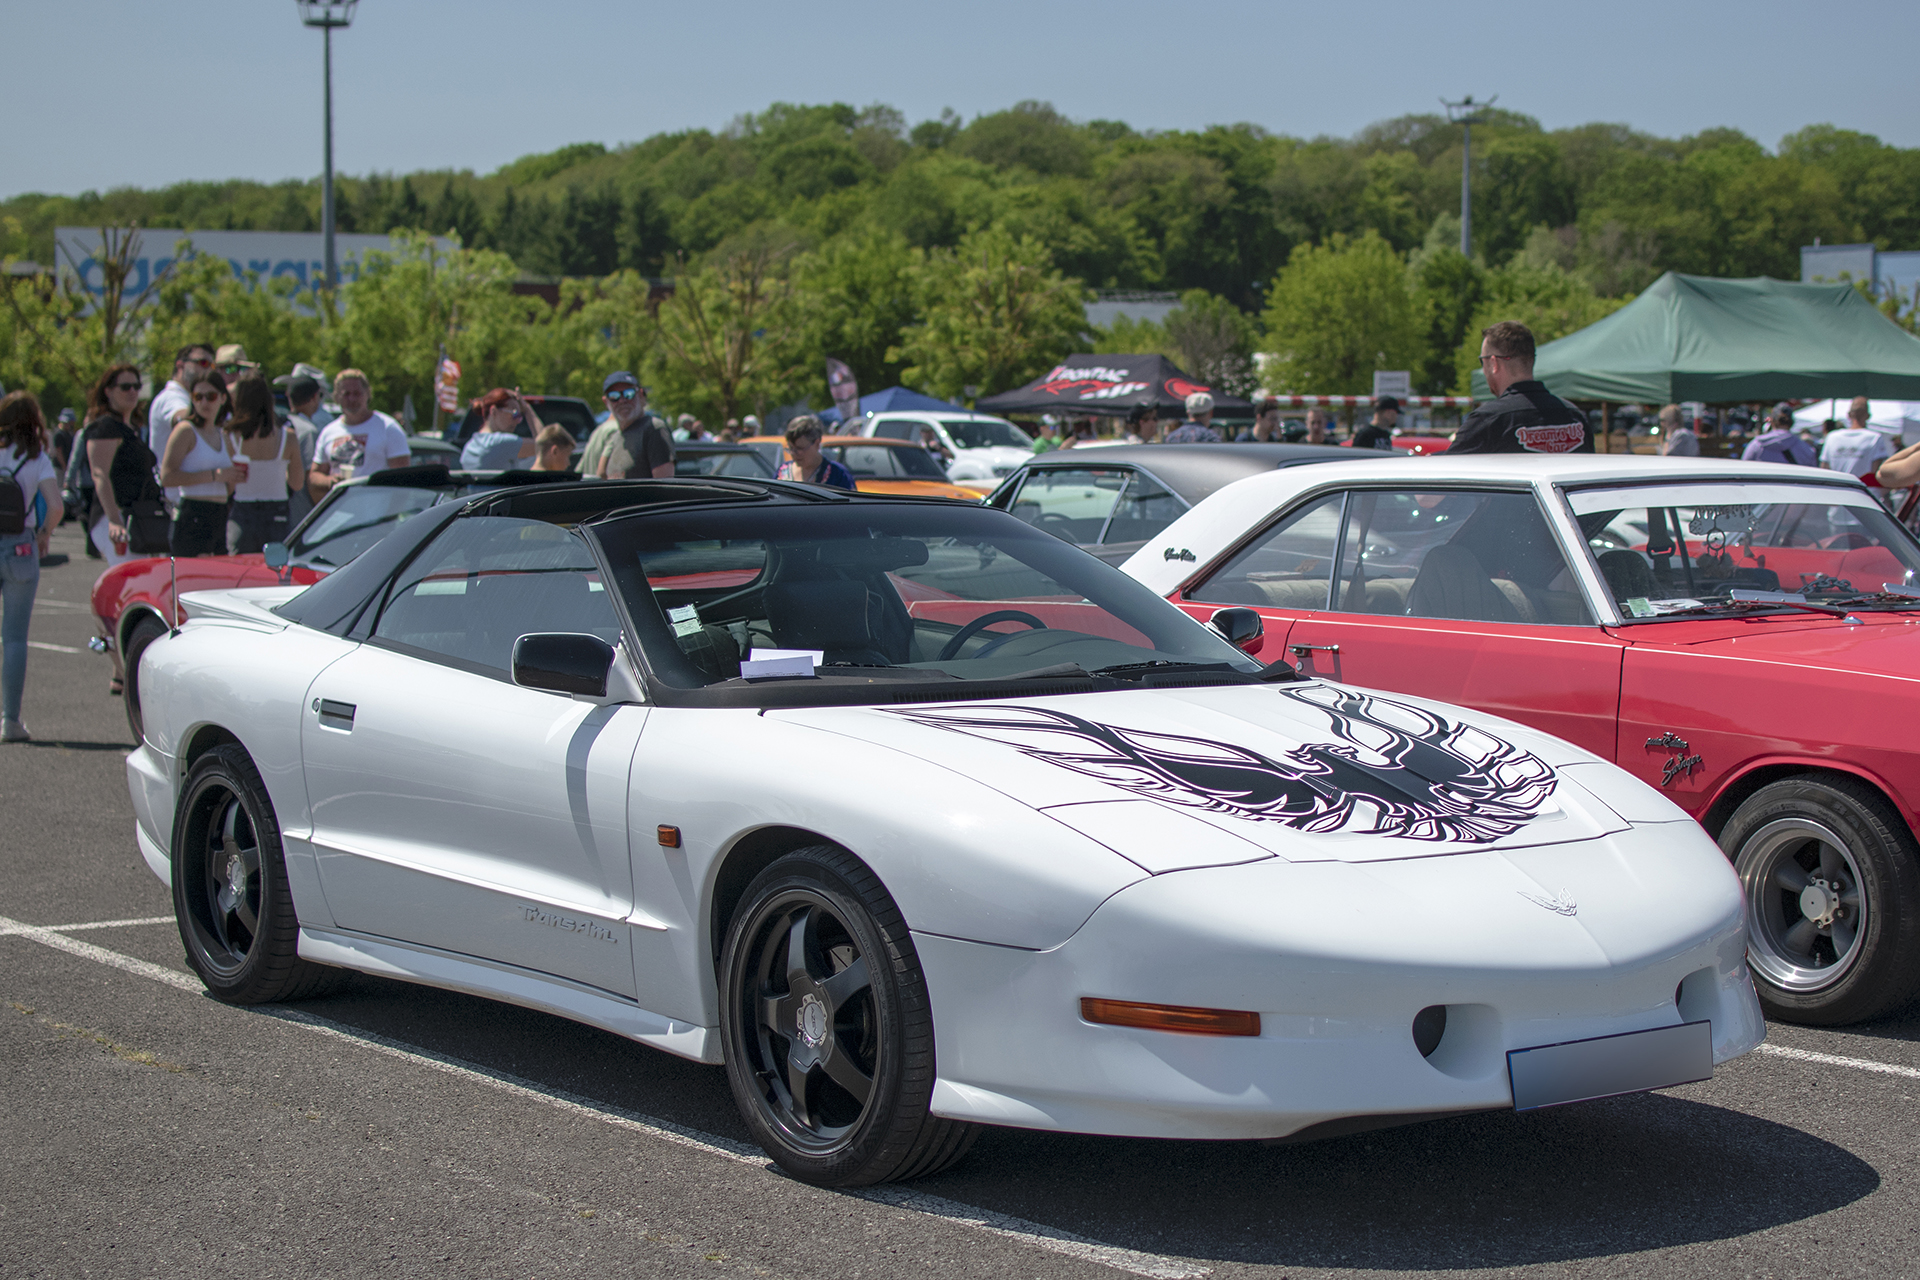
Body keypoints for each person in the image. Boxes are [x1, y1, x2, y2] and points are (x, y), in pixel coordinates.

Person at [0, 392, 65, 743]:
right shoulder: (37, 458)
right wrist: (43, 534)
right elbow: (55, 505)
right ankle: (10, 719)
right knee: (13, 638)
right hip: (21, 544)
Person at [1451, 322, 1593, 454]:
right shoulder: (1575, 417)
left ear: (1494, 363)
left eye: (1482, 361)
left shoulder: (1488, 420)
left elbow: (1446, 471)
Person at [159, 369, 242, 557]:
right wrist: (215, 475)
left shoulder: (224, 435)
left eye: (211, 396)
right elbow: (167, 477)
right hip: (193, 514)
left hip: (220, 513)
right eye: (198, 397)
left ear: (222, 398)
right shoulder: (186, 430)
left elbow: (228, 485)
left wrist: (233, 477)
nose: (204, 403)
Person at [83, 364, 156, 570]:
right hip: (115, 518)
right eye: (125, 387)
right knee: (130, 580)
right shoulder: (105, 427)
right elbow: (100, 475)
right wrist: (114, 520)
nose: (132, 391)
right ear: (108, 391)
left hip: (136, 517)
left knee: (140, 580)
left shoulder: (131, 428)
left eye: (136, 386)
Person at [226, 373, 304, 553]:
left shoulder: (230, 437)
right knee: (275, 571)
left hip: (242, 511)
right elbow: (297, 483)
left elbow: (229, 487)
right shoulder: (288, 437)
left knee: (241, 571)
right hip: (277, 512)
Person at [310, 369, 410, 500]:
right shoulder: (328, 432)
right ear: (336, 397)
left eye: (357, 393)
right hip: (339, 512)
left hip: (377, 513)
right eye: (346, 394)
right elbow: (314, 475)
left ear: (368, 394)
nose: (351, 399)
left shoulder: (388, 428)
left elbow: (402, 479)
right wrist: (330, 481)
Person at [150, 343, 214, 497]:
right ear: (181, 365)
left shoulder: (189, 397)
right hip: (175, 501)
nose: (208, 370)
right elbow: (183, 419)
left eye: (211, 366)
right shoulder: (171, 396)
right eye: (203, 363)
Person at [589, 372, 674, 479]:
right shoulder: (614, 438)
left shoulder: (653, 429)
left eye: (629, 393)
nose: (622, 400)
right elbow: (601, 477)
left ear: (641, 395)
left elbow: (664, 488)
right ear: (606, 402)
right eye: (614, 396)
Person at [460, 388, 543, 471]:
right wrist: (527, 408)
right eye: (514, 414)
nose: (518, 421)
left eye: (519, 415)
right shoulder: (501, 442)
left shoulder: (469, 447)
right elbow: (546, 445)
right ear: (494, 411)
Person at [283, 373, 325, 525]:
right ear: (314, 397)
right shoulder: (308, 431)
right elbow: (310, 478)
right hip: (300, 515)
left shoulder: (280, 427)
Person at [1820, 397, 1895, 478]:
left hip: (1837, 488)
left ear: (1848, 415)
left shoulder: (1832, 437)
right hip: (1861, 489)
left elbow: (1824, 468)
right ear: (1868, 416)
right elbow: (1876, 472)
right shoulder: (1874, 438)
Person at [777, 417, 855, 489]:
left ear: (817, 443)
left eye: (800, 448)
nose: (794, 453)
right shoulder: (782, 472)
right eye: (791, 448)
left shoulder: (838, 474)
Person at [1741, 403, 1818, 466]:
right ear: (1792, 423)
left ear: (1772, 422)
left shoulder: (1756, 445)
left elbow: (1743, 471)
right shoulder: (1806, 449)